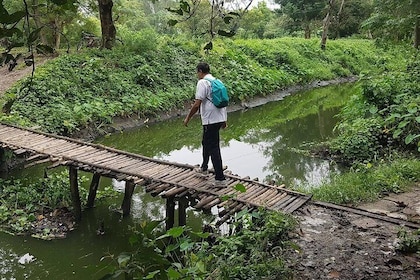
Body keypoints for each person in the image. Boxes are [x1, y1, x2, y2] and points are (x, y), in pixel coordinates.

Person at [183, 62, 227, 188]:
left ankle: (220, 179)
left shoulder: (203, 82)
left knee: (213, 148)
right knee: (206, 142)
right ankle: (204, 168)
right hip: (218, 118)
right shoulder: (216, 81)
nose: (197, 74)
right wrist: (224, 120)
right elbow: (222, 102)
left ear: (200, 71)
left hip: (210, 120)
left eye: (197, 72)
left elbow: (197, 104)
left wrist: (187, 118)